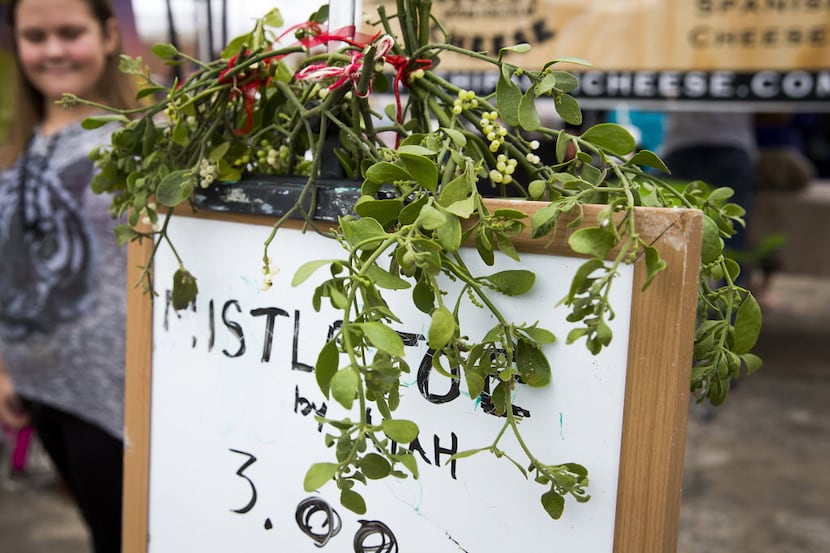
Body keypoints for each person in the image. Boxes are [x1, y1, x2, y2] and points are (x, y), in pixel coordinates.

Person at [0, 0, 137, 551]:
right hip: (39, 387)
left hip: (116, 398)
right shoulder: (17, 147)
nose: (53, 49)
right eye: (35, 36)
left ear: (107, 34)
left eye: (69, 32)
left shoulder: (142, 139)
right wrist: (6, 368)